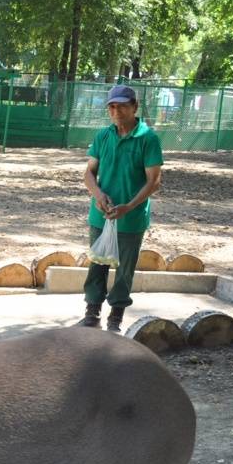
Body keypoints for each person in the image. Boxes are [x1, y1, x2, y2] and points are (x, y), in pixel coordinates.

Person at [79, 83, 164, 333]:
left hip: (131, 218)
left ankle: (115, 318)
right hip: (101, 215)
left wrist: (129, 206)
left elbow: (154, 181)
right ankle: (92, 313)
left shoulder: (148, 139)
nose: (116, 112)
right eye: (112, 107)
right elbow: (89, 173)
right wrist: (98, 195)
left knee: (124, 270)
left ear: (135, 107)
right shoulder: (103, 136)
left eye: (122, 106)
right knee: (97, 264)